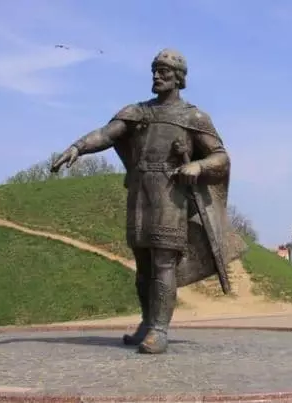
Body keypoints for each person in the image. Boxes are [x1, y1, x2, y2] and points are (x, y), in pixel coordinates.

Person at [51, 49, 232, 354]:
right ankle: (147, 323)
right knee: (143, 264)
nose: (156, 76)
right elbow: (107, 134)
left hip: (171, 195)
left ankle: (159, 330)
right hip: (140, 193)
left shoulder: (193, 117)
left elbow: (221, 157)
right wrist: (77, 147)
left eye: (163, 71)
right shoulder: (139, 112)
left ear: (178, 78)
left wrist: (197, 166)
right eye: (154, 70)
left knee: (163, 262)